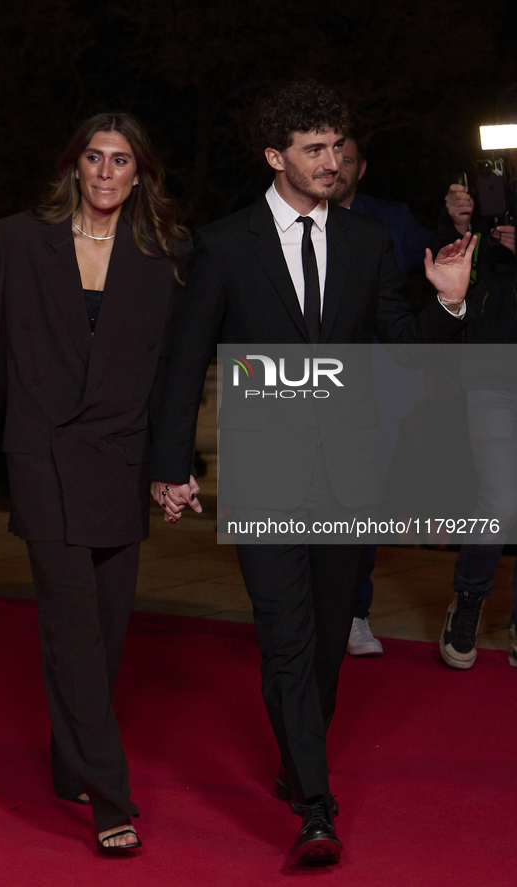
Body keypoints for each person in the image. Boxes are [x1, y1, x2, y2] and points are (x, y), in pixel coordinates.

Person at [149, 81, 475, 864]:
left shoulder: (366, 243)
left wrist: (448, 307)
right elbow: (184, 356)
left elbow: (402, 348)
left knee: (327, 640)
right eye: (313, 150)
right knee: (287, 639)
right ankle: (317, 808)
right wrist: (170, 465)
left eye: (337, 147)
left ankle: (298, 762)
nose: (332, 163)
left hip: (350, 477)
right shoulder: (225, 243)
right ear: (275, 157)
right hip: (265, 473)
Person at [0, 112, 190, 853]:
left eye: (121, 160)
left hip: (117, 461)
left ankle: (69, 760)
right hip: (43, 457)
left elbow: (169, 377)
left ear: (140, 173)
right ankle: (109, 798)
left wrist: (166, 466)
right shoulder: (19, 239)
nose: (106, 173)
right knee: (73, 631)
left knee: (106, 635)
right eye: (94, 158)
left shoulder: (166, 254)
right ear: (74, 167)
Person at [333, 136, 439, 656]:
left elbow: (439, 251)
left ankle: (355, 613)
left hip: (379, 381)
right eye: (327, 154)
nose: (337, 165)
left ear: (362, 166)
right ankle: (308, 612)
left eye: (347, 157)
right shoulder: (290, 218)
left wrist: (463, 225)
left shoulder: (391, 219)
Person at [438, 177, 517, 669]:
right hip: (493, 374)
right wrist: (461, 226)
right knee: (500, 501)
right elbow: (448, 283)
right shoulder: (494, 192)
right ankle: (467, 601)